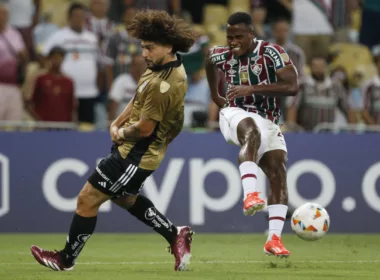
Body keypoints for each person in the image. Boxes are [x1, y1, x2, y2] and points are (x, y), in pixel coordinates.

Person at [30, 10, 196, 272]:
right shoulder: (158, 67)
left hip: (137, 154)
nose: (144, 54)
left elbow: (144, 127)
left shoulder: (166, 84)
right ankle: (175, 234)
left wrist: (122, 132)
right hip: (136, 151)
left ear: (168, 46)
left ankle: (65, 260)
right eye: (143, 47)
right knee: (125, 198)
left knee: (88, 199)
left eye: (149, 48)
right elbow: (139, 97)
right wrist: (117, 121)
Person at [205, 12, 298, 257]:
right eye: (229, 37)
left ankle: (274, 240)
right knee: (251, 132)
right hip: (234, 113)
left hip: (268, 118)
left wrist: (253, 88)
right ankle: (250, 195)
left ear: (252, 34)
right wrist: (216, 95)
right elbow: (209, 61)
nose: (233, 41)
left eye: (238, 36)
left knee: (278, 170)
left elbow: (291, 86)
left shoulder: (271, 52)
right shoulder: (221, 54)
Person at [26, 46, 75, 122]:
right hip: (43, 125)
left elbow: (72, 107)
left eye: (59, 58)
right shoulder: (41, 78)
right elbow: (28, 102)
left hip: (63, 126)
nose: (57, 60)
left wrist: (72, 123)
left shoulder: (68, 81)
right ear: (49, 59)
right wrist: (38, 120)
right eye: (54, 57)